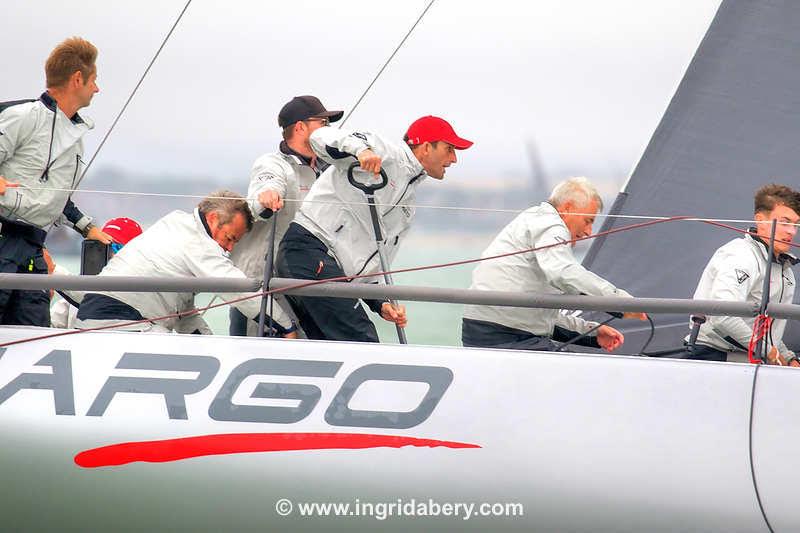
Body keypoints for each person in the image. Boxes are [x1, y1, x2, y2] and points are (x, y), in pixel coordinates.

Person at [276, 115, 473, 342]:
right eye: (449, 149)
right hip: (310, 252)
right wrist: (361, 151)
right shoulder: (384, 151)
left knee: (331, 347)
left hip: (329, 270)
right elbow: (320, 136)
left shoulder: (407, 206)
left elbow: (371, 263)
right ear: (427, 147)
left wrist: (380, 303)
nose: (454, 159)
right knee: (364, 341)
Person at [0, 36, 112, 326]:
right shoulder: (21, 116)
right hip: (4, 241)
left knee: (32, 340)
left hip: (34, 251)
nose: (97, 88)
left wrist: (89, 228)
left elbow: (57, 196)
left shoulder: (75, 141)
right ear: (78, 79)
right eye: (93, 81)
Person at [461, 177, 645, 351]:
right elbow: (562, 273)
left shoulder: (534, 218)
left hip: (488, 327)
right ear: (567, 208)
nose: (589, 231)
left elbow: (536, 316)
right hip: (505, 333)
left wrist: (592, 333)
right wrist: (619, 302)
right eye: (588, 221)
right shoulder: (551, 223)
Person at [229, 95, 343, 338]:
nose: (328, 129)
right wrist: (267, 195)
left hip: (303, 282)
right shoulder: (272, 163)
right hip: (261, 285)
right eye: (322, 123)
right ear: (300, 127)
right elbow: (265, 187)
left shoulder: (328, 170)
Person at [74, 191, 261, 333]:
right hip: (120, 318)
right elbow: (238, 289)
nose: (229, 248)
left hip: (98, 317)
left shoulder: (176, 227)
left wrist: (210, 346)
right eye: (229, 238)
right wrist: (287, 328)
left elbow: (183, 313)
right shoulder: (197, 241)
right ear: (213, 219)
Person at [679, 184, 800, 365]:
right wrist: (772, 354)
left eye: (796, 224)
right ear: (760, 220)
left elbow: (766, 331)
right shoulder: (740, 254)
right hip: (714, 359)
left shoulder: (786, 270)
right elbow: (722, 316)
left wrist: (788, 358)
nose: (791, 231)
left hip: (752, 363)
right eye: (784, 222)